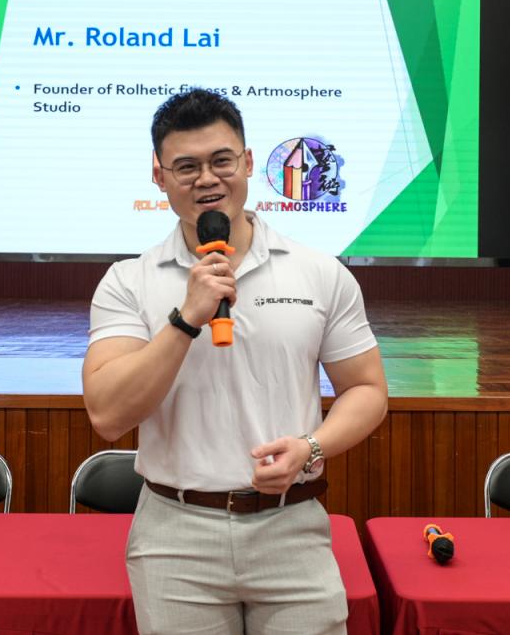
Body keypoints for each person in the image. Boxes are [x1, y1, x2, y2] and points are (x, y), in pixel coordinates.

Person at [84, 89, 388, 635]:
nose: (207, 179)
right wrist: (186, 319)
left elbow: (367, 390)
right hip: (174, 535)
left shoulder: (319, 272)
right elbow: (108, 414)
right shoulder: (128, 281)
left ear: (248, 162)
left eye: (221, 160)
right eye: (186, 167)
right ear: (158, 176)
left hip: (291, 527)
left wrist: (311, 447)